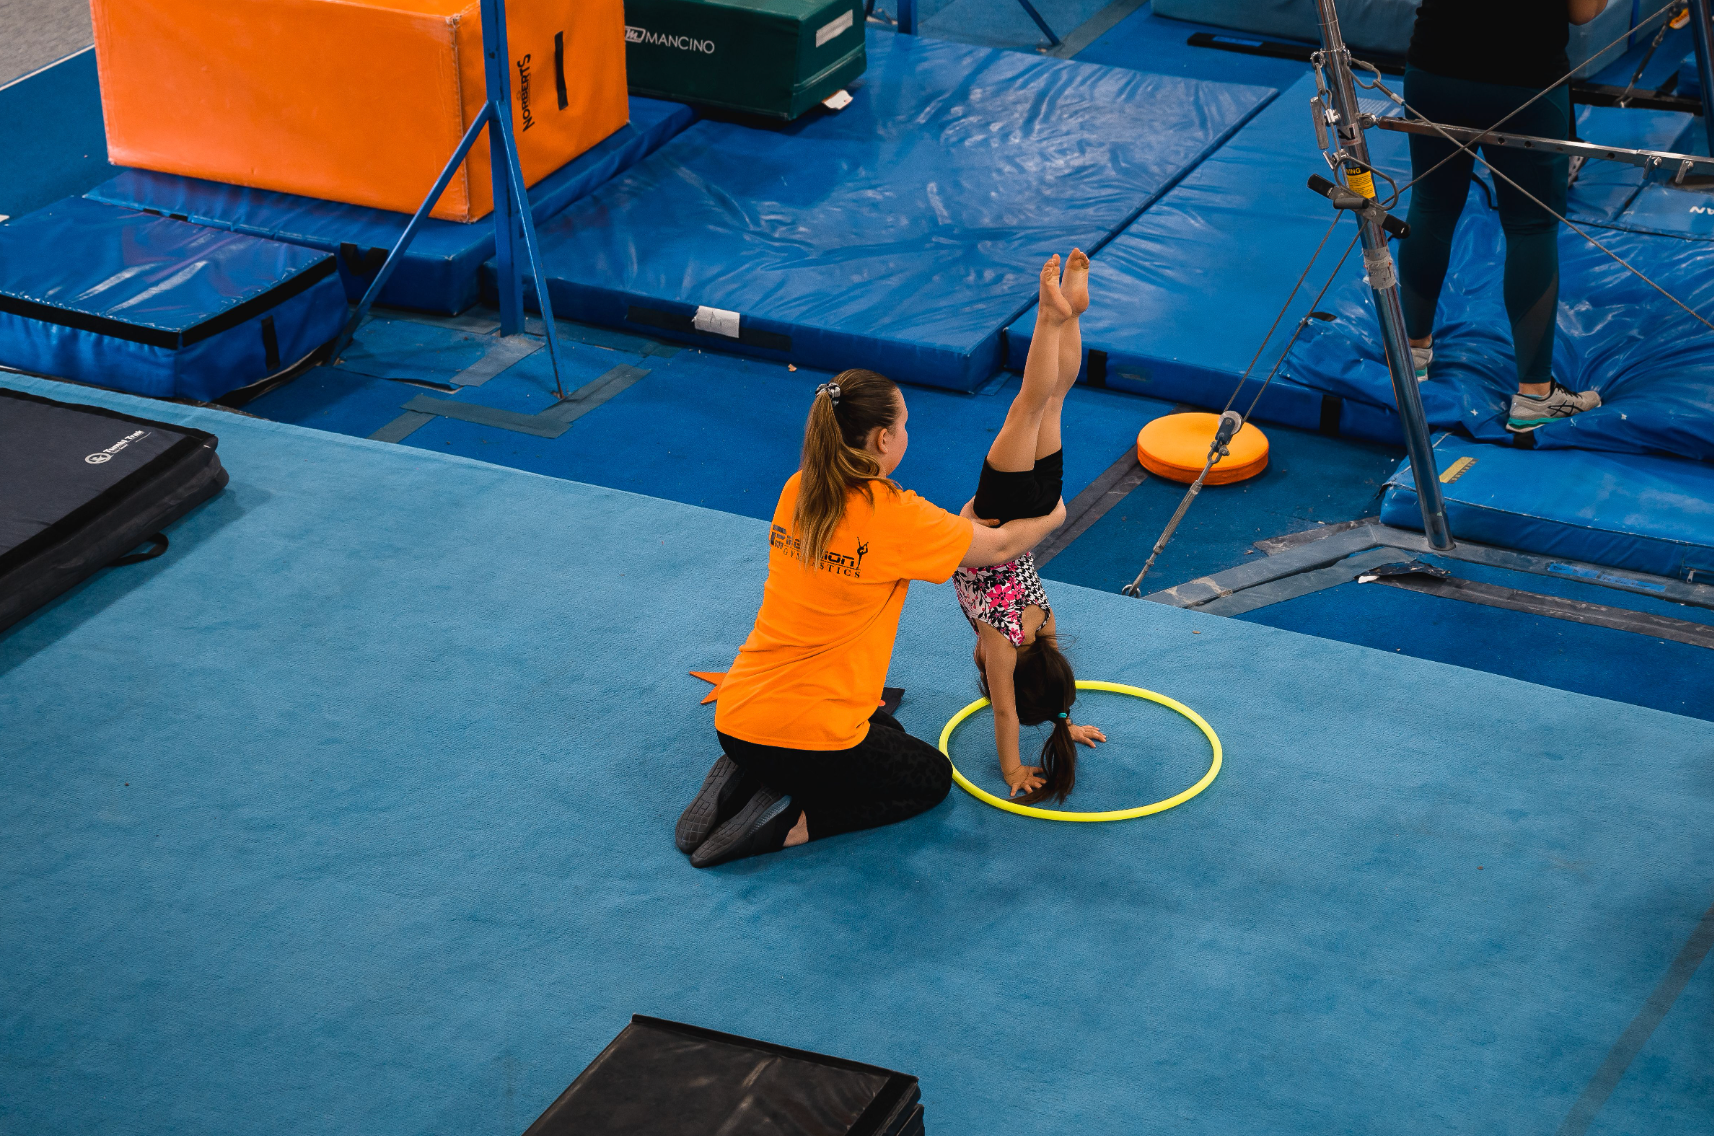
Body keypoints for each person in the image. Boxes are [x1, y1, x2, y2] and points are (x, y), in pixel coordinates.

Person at [676, 367, 1066, 868]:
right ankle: (792, 824)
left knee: (886, 733)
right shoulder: (895, 514)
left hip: (737, 715)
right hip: (806, 735)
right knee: (929, 778)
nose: (907, 434)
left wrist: (960, 525)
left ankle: (744, 771)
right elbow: (1003, 547)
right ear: (884, 438)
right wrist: (1055, 515)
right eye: (904, 426)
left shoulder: (800, 488)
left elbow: (915, 540)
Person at [1398, 0, 1609, 433]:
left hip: (1435, 65)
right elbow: (1583, 11)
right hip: (1524, 78)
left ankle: (1411, 353)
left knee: (1432, 204)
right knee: (1531, 225)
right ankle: (1535, 394)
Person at [954, 251, 1106, 803]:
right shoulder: (1001, 643)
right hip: (1004, 510)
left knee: (1055, 401)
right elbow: (1005, 712)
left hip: (1043, 502)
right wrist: (1014, 770)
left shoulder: (1044, 629)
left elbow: (1055, 692)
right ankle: (1050, 314)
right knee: (1029, 402)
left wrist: (1066, 724)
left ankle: (1073, 314)